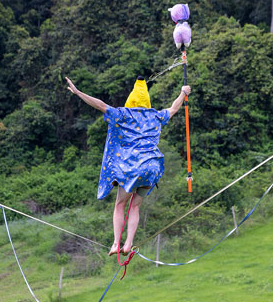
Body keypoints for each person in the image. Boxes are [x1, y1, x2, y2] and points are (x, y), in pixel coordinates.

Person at [65, 76, 190, 256]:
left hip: (132, 169)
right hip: (152, 168)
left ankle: (116, 244)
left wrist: (78, 93)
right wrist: (183, 93)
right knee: (136, 206)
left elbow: (100, 105)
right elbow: (174, 108)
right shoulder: (155, 115)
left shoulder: (123, 114)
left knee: (120, 204)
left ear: (130, 100)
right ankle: (128, 244)